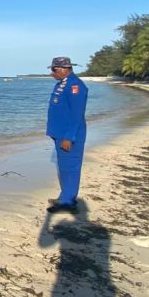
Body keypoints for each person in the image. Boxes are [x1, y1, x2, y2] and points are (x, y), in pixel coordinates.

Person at [45, 57, 88, 213]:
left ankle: (68, 202)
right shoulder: (62, 84)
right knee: (64, 167)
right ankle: (65, 197)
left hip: (69, 136)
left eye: (54, 70)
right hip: (60, 134)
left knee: (70, 168)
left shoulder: (75, 86)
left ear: (64, 69)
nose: (52, 73)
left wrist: (69, 137)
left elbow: (76, 115)